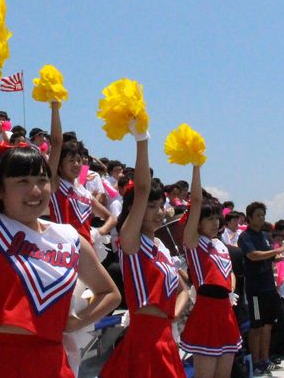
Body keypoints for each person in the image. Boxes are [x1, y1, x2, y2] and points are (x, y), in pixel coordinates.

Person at [0, 69, 120, 377]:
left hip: (53, 364)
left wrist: (75, 322)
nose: (34, 190)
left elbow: (110, 292)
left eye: (41, 180)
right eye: (21, 181)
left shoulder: (68, 237)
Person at [99, 120, 189, 378]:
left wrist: (173, 315)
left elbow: (184, 291)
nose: (159, 212)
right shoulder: (131, 242)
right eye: (151, 206)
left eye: (161, 205)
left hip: (165, 337)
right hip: (143, 339)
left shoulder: (160, 247)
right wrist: (142, 140)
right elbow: (141, 189)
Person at [180, 164, 242, 378]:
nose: (215, 223)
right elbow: (196, 201)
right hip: (206, 311)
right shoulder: (194, 243)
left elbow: (229, 272)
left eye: (217, 218)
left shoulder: (221, 245)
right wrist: (197, 166)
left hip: (225, 311)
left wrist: (231, 285)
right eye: (209, 218)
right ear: (196, 222)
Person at [46, 103, 115, 245]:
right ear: (59, 164)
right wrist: (54, 105)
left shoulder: (84, 192)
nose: (77, 164)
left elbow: (111, 218)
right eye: (71, 160)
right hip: (63, 250)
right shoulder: (56, 184)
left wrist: (98, 232)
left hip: (86, 251)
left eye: (79, 160)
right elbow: (57, 142)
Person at [239, 202, 284, 374]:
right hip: (255, 289)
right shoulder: (245, 237)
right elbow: (253, 256)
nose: (261, 218)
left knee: (268, 325)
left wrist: (282, 258)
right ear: (249, 218)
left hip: (269, 287)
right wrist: (277, 252)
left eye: (263, 215)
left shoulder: (265, 236)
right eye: (258, 215)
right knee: (256, 327)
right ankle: (256, 362)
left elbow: (267, 258)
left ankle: (265, 359)